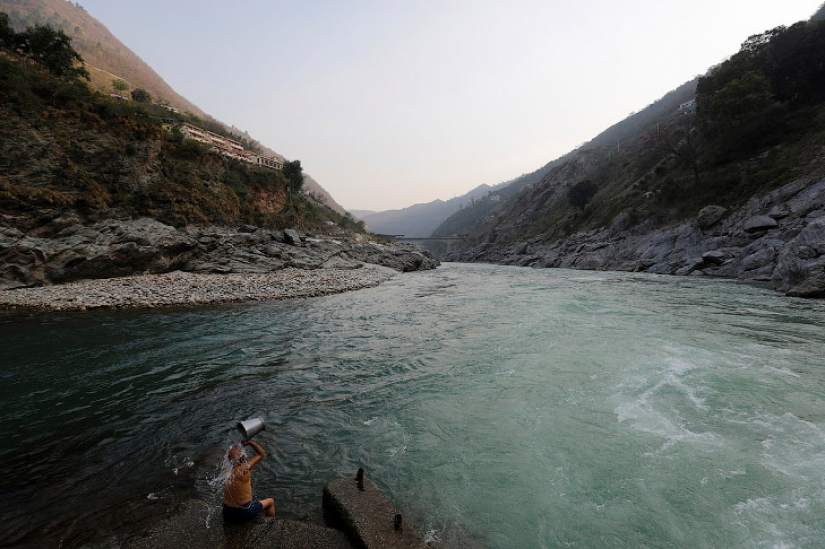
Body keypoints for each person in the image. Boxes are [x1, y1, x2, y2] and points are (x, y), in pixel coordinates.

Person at [222, 440, 276, 523]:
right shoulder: (244, 470)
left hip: (227, 513)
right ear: (242, 457)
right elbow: (261, 453)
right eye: (241, 452)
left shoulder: (225, 469)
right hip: (243, 513)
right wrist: (251, 443)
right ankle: (269, 525)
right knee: (270, 501)